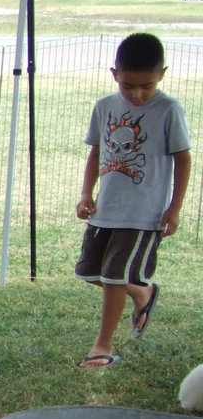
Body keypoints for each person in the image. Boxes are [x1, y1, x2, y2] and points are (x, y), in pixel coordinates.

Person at [74, 32, 191, 369]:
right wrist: (86, 192)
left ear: (162, 75)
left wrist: (174, 207)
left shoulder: (168, 109)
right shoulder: (104, 106)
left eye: (147, 86)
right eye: (128, 86)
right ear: (115, 75)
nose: (137, 94)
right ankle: (142, 292)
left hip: (143, 213)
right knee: (89, 271)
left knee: (113, 277)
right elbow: (97, 152)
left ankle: (103, 346)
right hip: (106, 209)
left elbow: (183, 159)